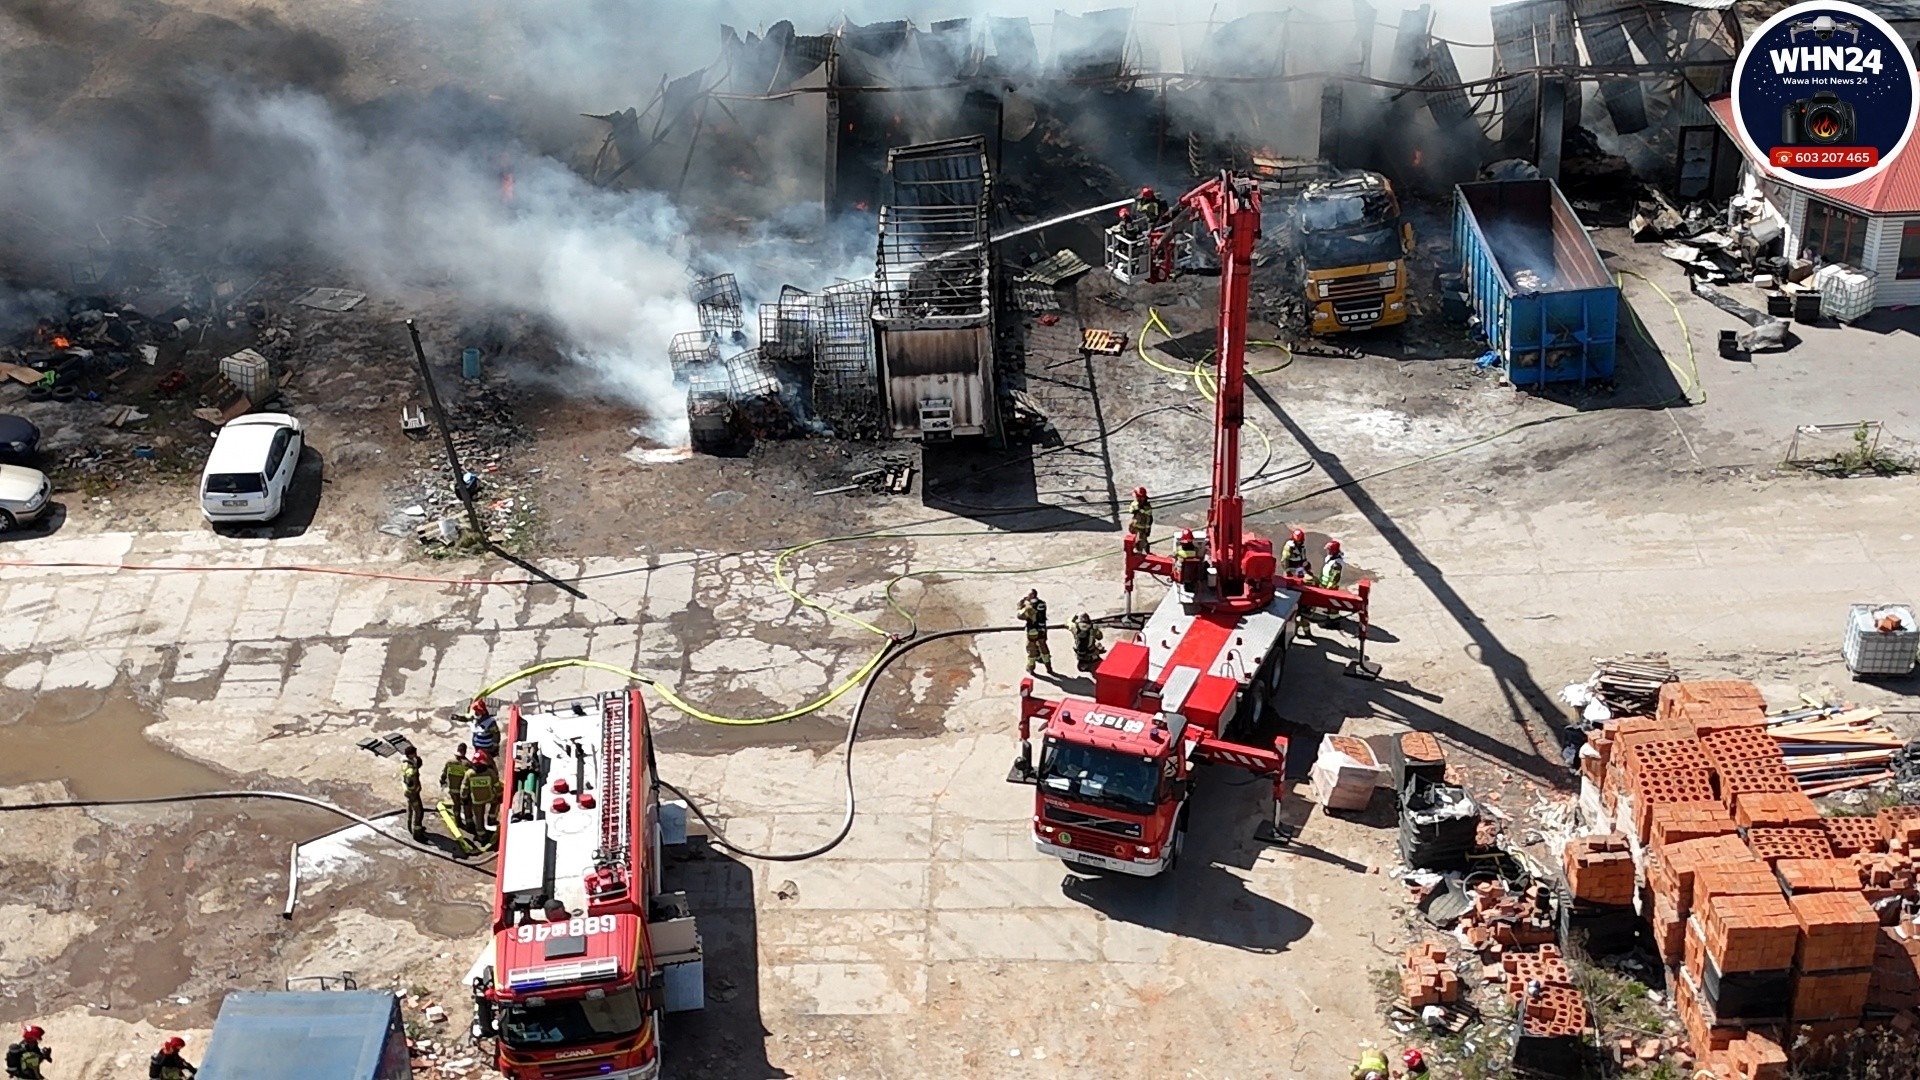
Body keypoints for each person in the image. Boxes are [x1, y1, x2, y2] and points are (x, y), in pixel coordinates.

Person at [463, 750, 504, 840]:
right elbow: (497, 785)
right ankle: (491, 819)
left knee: (479, 817)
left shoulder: (469, 773)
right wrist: (500, 794)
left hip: (476, 800)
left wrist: (464, 797)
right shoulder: (490, 772)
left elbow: (465, 787)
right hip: (489, 797)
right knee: (496, 803)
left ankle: (481, 835)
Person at [1016, 590, 1054, 676]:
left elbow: (1020, 615)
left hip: (1032, 631)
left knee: (1031, 650)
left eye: (1028, 594)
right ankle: (1049, 667)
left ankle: (1030, 668)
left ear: (1032, 596)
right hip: (1042, 630)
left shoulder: (1028, 608)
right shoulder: (1042, 604)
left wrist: (1020, 605)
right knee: (1044, 648)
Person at [441, 742, 474, 835]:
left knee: (456, 805)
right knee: (467, 807)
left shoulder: (450, 762)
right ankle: (469, 824)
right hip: (464, 791)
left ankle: (458, 821)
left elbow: (443, 774)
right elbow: (471, 777)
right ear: (465, 751)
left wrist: (442, 782)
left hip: (453, 789)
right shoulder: (467, 764)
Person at [401, 745, 426, 840]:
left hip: (408, 792)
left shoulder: (405, 763)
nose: (416, 755)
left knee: (410, 809)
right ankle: (417, 833)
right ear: (411, 755)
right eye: (414, 753)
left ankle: (410, 826)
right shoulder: (410, 770)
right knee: (419, 812)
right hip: (412, 794)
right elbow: (411, 780)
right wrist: (414, 790)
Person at [1126, 487, 1153, 553]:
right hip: (1135, 525)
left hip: (1143, 527)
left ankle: (1142, 552)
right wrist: (1134, 509)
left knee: (1141, 542)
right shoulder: (1135, 503)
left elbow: (1149, 515)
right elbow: (1131, 510)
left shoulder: (1147, 506)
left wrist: (1141, 510)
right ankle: (1135, 550)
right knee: (1132, 539)